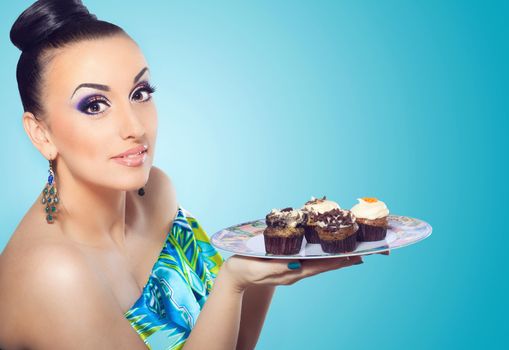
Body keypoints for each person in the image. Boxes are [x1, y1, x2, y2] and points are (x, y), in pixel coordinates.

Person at [0, 1, 375, 349]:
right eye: (95, 105)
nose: (134, 127)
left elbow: (236, 343)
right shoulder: (52, 274)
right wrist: (231, 283)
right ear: (41, 134)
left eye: (140, 92)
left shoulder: (157, 192)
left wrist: (263, 263)